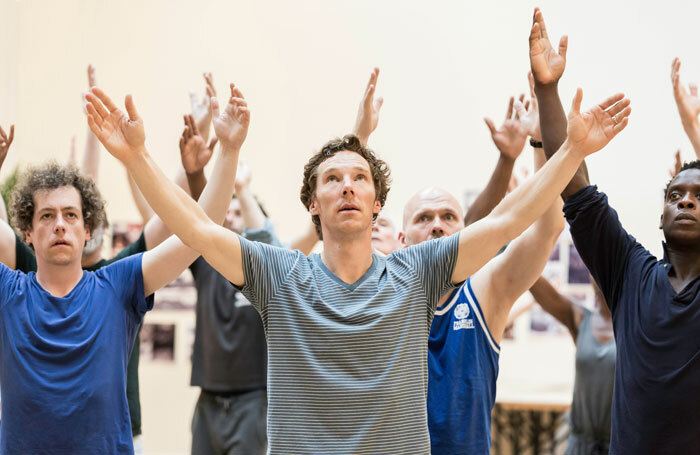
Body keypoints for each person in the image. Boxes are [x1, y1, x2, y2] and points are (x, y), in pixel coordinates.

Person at [86, 64, 628, 452]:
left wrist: (572, 151)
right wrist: (136, 157)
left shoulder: (417, 271)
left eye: (360, 178)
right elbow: (197, 229)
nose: (347, 186)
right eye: (333, 179)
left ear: (376, 205)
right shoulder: (280, 274)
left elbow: (510, 219)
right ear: (313, 204)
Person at [0, 81, 249, 454]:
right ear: (28, 233)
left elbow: (202, 232)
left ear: (88, 230)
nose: (60, 225)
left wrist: (228, 150)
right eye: (47, 216)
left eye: (71, 215)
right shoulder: (8, 290)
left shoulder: (118, 284)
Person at [530, 8, 700, 453]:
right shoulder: (631, 275)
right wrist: (547, 89)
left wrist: (694, 132)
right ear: (660, 217)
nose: (686, 201)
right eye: (676, 195)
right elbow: (574, 186)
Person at [395, 85, 564, 453]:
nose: (437, 225)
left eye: (448, 217)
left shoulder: (484, 290)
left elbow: (547, 228)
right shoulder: (385, 294)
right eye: (424, 218)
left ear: (466, 234)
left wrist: (538, 143)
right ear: (402, 239)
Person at [529, 276, 615, 454]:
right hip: (580, 445)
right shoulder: (580, 318)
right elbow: (536, 283)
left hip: (618, 445)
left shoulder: (632, 325)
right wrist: (507, 248)